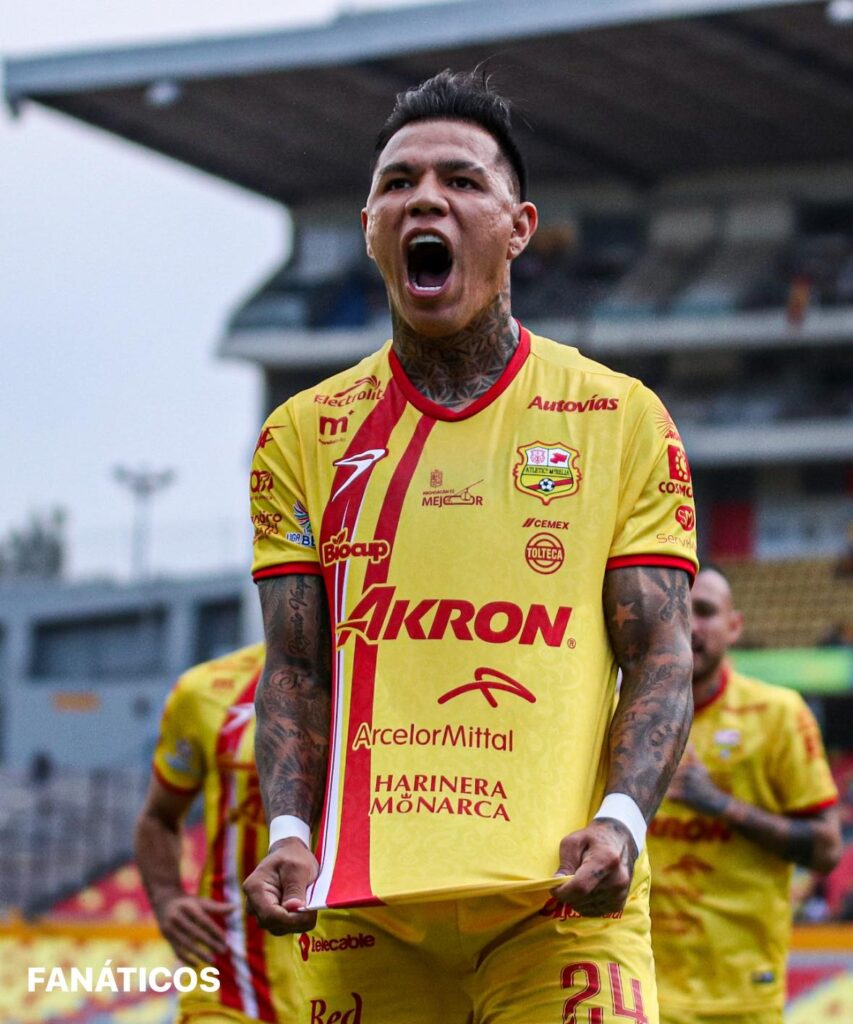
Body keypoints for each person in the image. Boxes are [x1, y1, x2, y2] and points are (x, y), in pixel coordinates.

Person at [245, 68, 700, 1022]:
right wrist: (288, 828)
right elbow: (295, 665)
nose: (426, 199)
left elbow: (660, 653)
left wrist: (621, 823)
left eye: (460, 180)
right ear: (370, 227)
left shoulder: (618, 418)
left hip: (560, 901)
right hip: (364, 910)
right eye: (399, 182)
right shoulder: (302, 435)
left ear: (518, 227)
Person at [647, 566, 842, 1024]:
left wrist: (718, 804)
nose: (690, 624)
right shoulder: (626, 712)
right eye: (676, 609)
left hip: (739, 996)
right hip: (638, 987)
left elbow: (827, 849)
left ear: (734, 626)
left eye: (705, 611)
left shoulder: (778, 715)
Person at [135, 642, 302, 1024]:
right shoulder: (205, 689)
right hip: (233, 977)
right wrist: (166, 896)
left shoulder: (387, 684)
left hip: (357, 975)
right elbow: (159, 817)